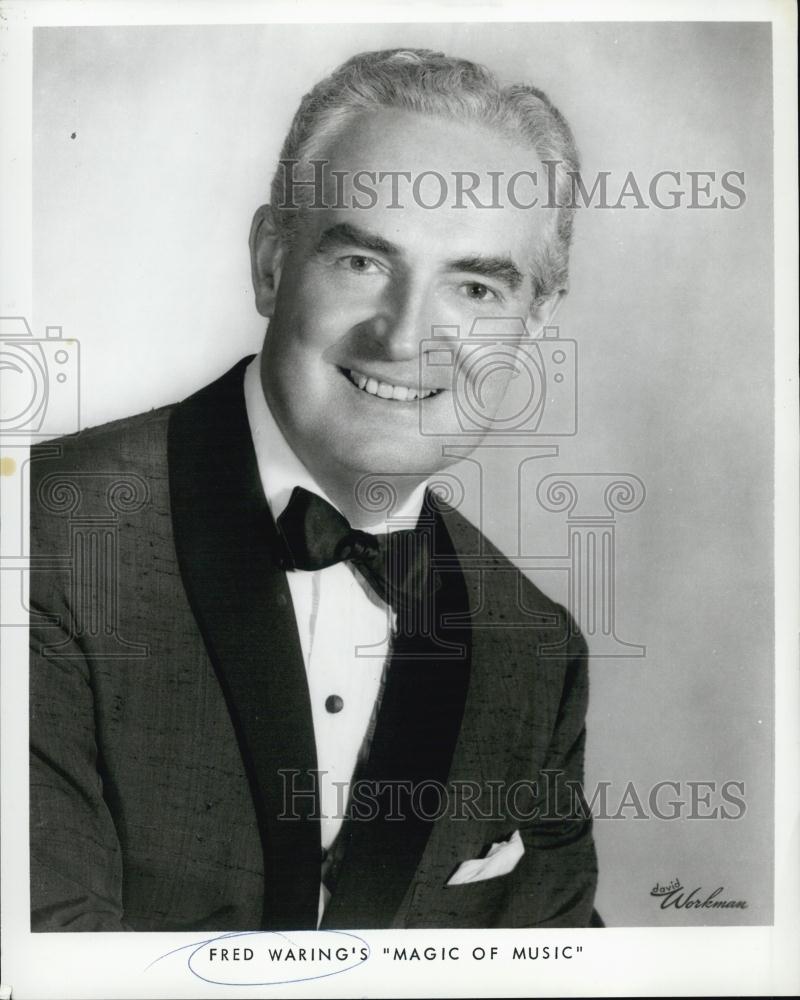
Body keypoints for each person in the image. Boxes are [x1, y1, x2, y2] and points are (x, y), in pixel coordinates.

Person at [29, 48, 599, 931]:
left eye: (476, 285)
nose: (406, 337)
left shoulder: (536, 651)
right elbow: (45, 963)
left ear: (534, 324)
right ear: (270, 261)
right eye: (364, 262)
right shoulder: (41, 542)